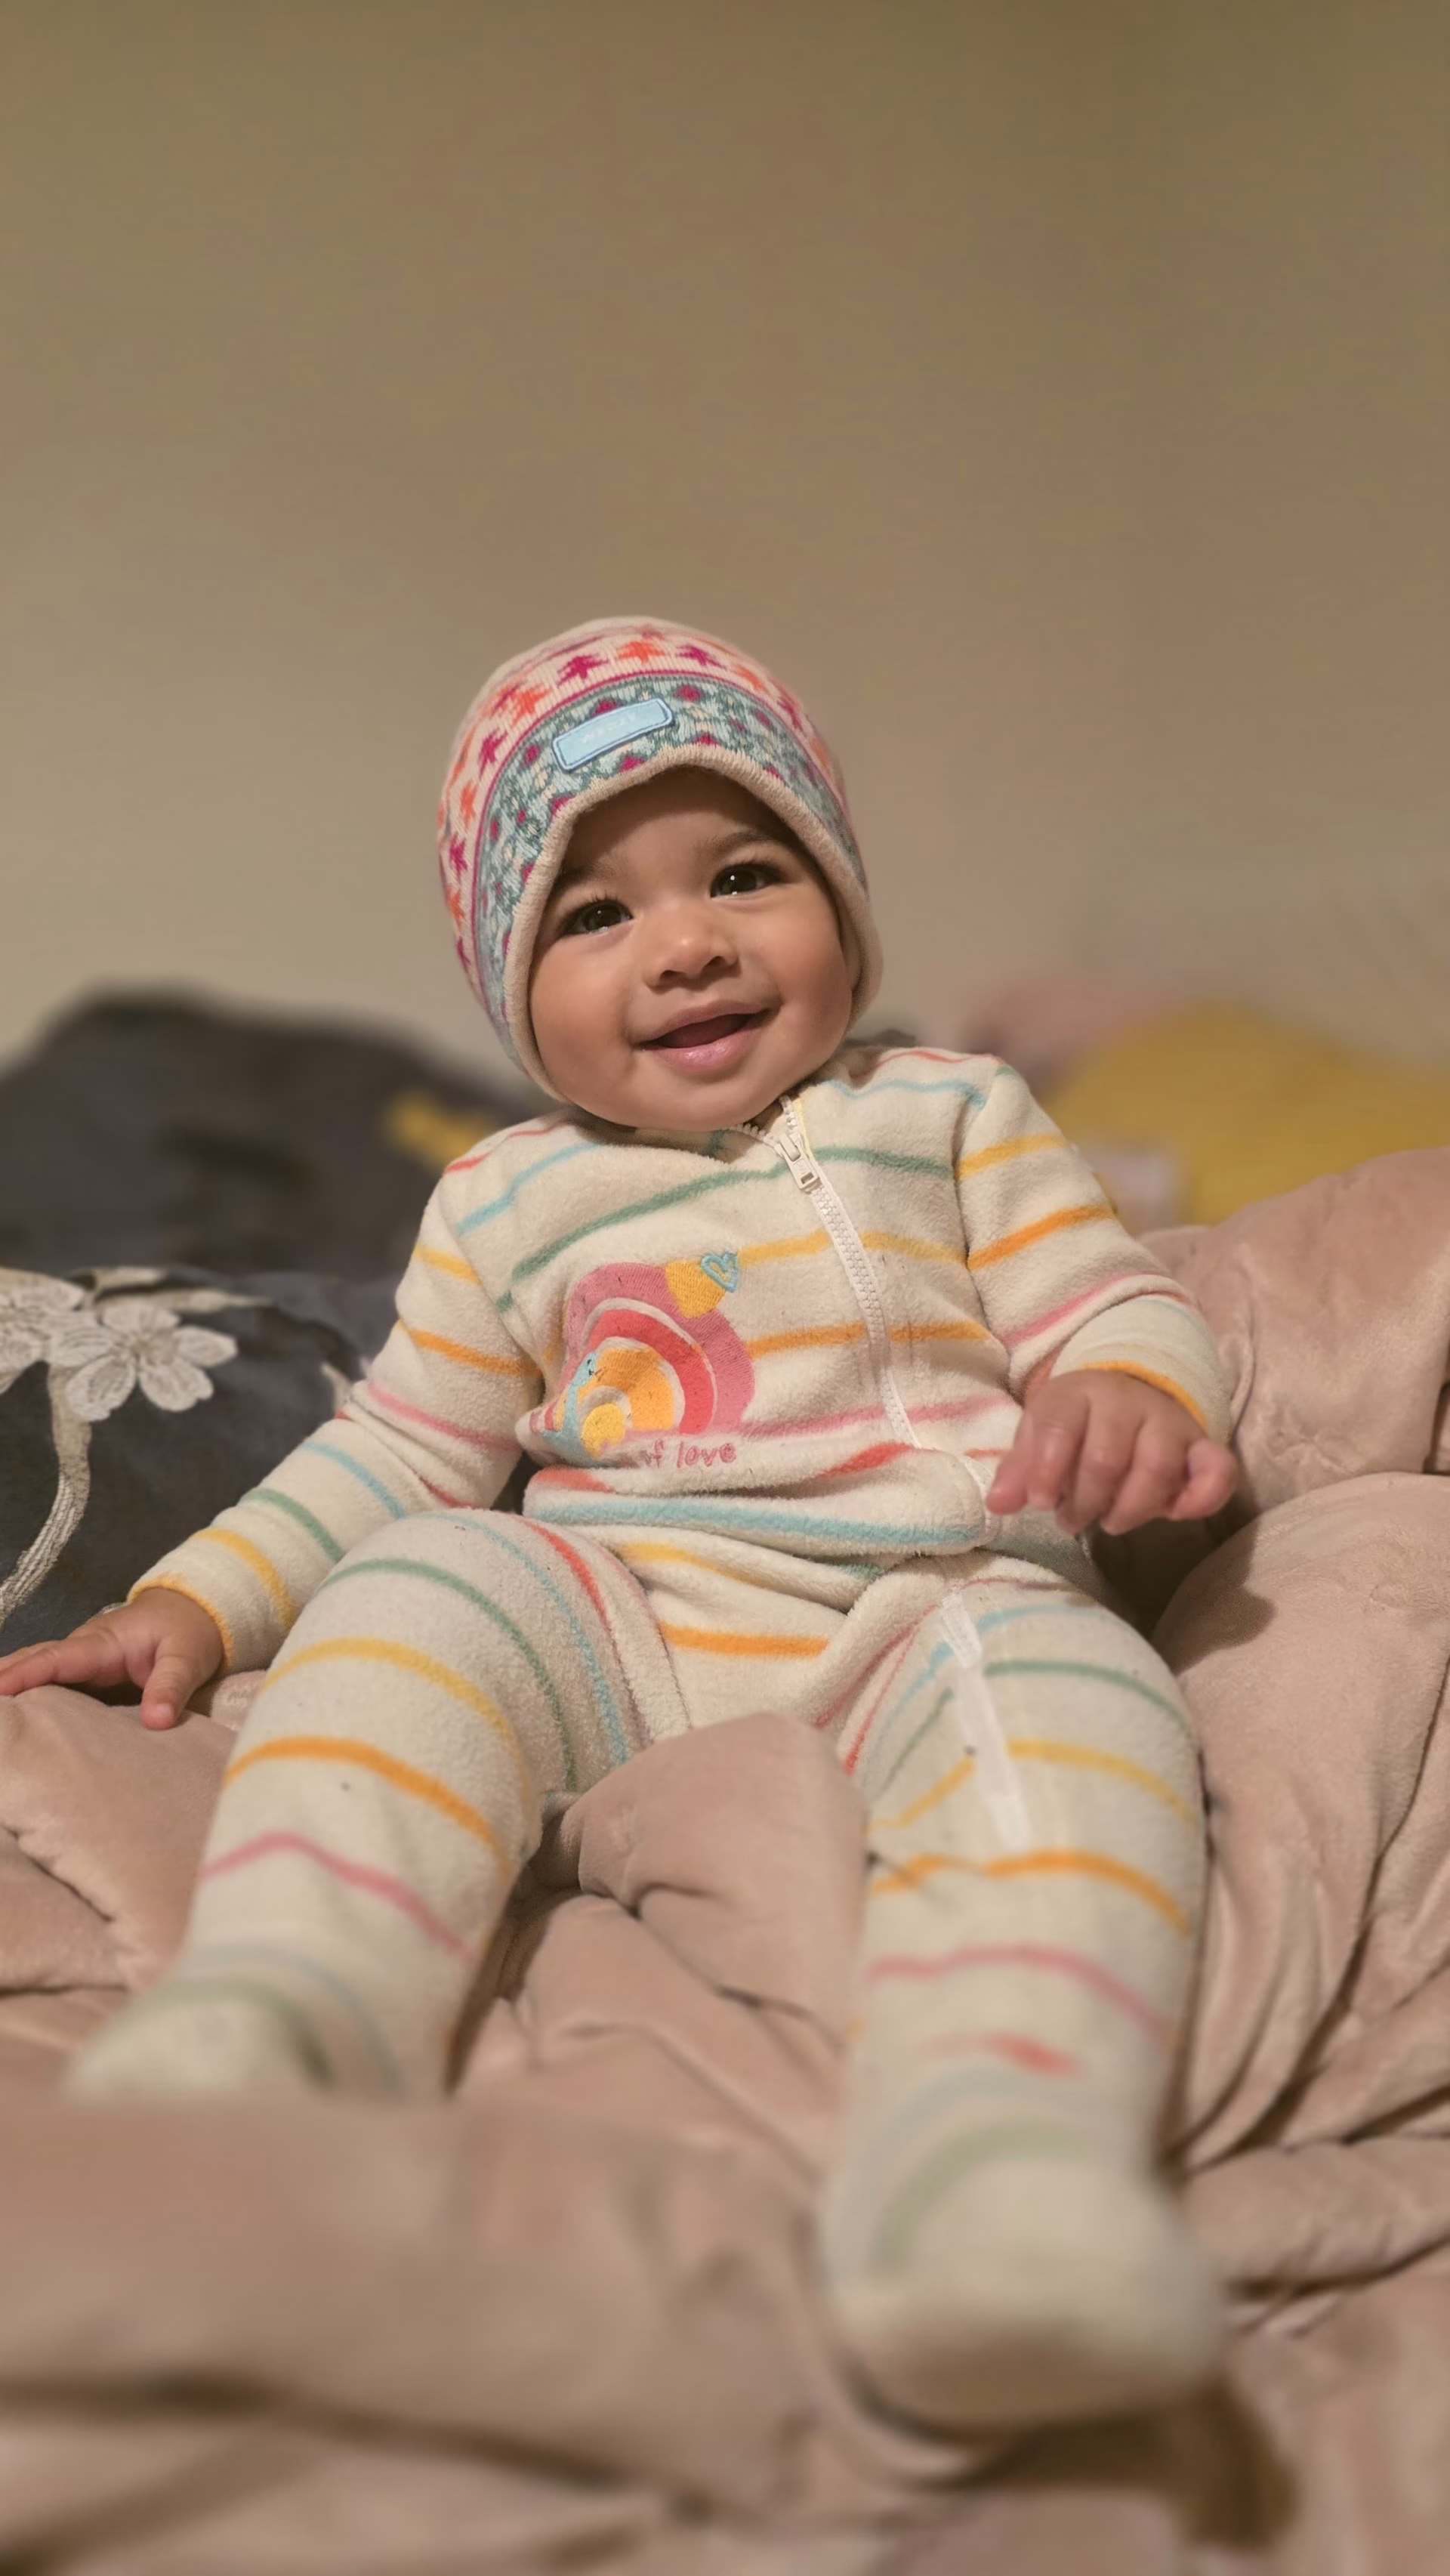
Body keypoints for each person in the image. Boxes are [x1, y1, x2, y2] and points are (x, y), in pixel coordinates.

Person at [0, 618, 1237, 2435]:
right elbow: (396, 1448)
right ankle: (292, 2012)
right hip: (629, 1620)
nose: (686, 944)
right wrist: (196, 1597)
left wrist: (1131, 1388)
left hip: (931, 1600)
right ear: (515, 993)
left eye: (744, 874)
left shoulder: (950, 1111)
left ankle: (1000, 2175)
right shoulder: (508, 1196)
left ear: (842, 904)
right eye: (593, 914)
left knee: (1079, 1694)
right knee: (435, 1574)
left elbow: (1109, 1299)